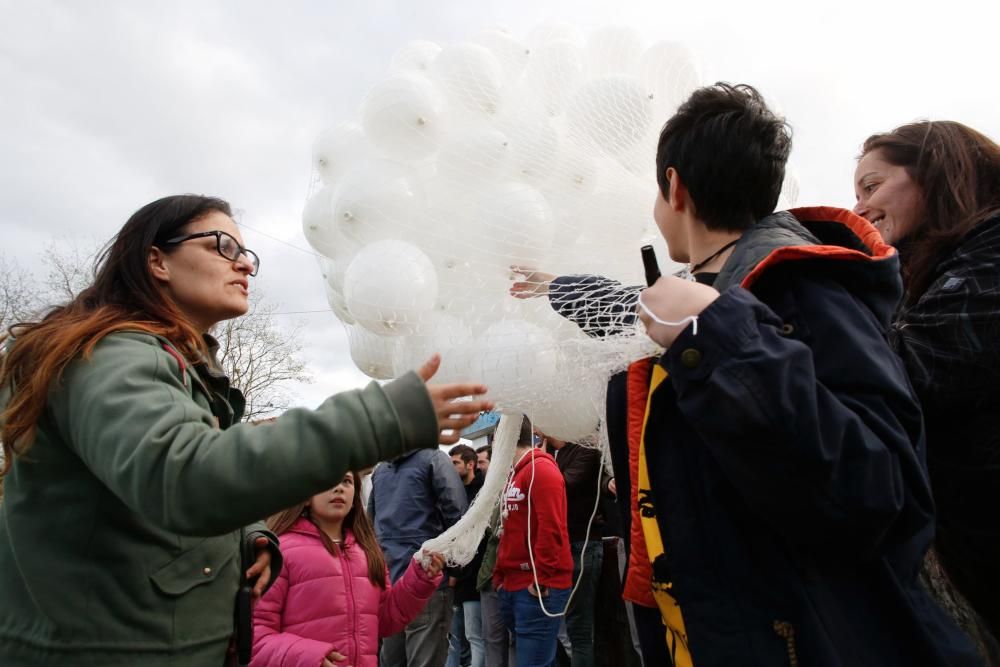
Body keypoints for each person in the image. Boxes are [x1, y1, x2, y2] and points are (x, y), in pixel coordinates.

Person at [0, 194, 491, 666]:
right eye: (223, 245)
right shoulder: (110, 356)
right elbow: (183, 478)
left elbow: (146, 508)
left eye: (247, 254)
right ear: (157, 261)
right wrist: (379, 418)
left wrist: (244, 536)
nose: (245, 265)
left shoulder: (171, 366)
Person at [627, 83, 979, 665]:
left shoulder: (803, 287)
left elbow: (882, 487)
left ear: (674, 186)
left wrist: (717, 337)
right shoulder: (711, 296)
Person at [853, 121, 1000, 647]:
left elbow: (909, 374)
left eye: (872, 187)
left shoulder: (991, 254)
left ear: (935, 175)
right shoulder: (931, 274)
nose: (861, 208)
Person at [251, 471, 445, 667]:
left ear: (355, 496)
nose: (339, 488)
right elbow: (255, 637)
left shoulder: (368, 552)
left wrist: (419, 579)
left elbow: (384, 621)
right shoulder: (280, 552)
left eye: (346, 481)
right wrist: (311, 659)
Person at [371, 446, 468, 667]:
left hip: (390, 579)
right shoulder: (434, 460)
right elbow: (459, 517)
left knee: (392, 658)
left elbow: (371, 524)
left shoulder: (381, 470)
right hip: (428, 576)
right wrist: (455, 568)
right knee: (425, 658)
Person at [494, 416, 573, 667]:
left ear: (502, 439)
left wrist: (542, 579)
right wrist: (500, 578)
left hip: (537, 586)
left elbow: (552, 526)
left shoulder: (542, 469)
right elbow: (507, 529)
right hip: (514, 584)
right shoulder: (513, 475)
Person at [538, 429, 606, 667]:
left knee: (579, 630)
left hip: (582, 545)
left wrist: (541, 460)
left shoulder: (584, 450)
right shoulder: (555, 454)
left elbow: (559, 485)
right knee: (558, 626)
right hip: (561, 549)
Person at [447, 444, 486, 667]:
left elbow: (475, 537)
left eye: (456, 463)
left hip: (473, 576)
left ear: (470, 465)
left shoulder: (483, 491)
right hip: (457, 576)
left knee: (474, 637)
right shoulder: (454, 491)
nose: (451, 468)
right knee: (455, 639)